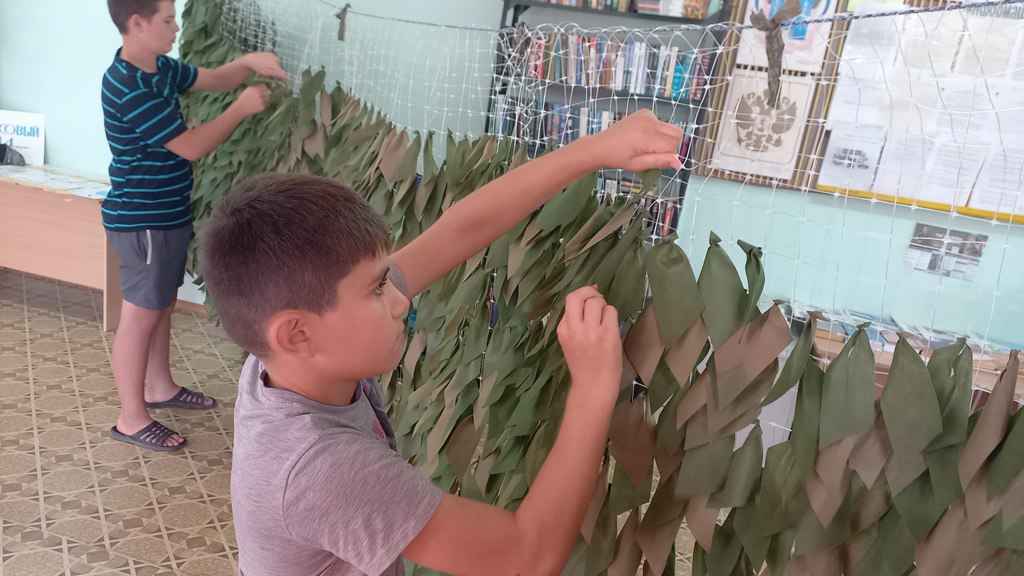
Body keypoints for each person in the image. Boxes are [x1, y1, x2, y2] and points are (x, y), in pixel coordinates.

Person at [201, 110, 683, 575]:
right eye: (376, 289)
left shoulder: (285, 359)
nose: (400, 300)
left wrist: (592, 151)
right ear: (297, 334)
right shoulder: (322, 470)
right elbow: (527, 558)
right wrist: (594, 389)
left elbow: (459, 230)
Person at [102, 0, 287, 451]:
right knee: (140, 315)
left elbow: (215, 78)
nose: (175, 27)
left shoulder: (161, 68)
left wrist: (247, 62)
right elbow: (189, 146)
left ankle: (159, 387)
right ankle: (131, 417)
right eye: (167, 20)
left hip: (166, 212)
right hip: (143, 218)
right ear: (137, 23)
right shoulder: (127, 85)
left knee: (161, 304)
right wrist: (240, 108)